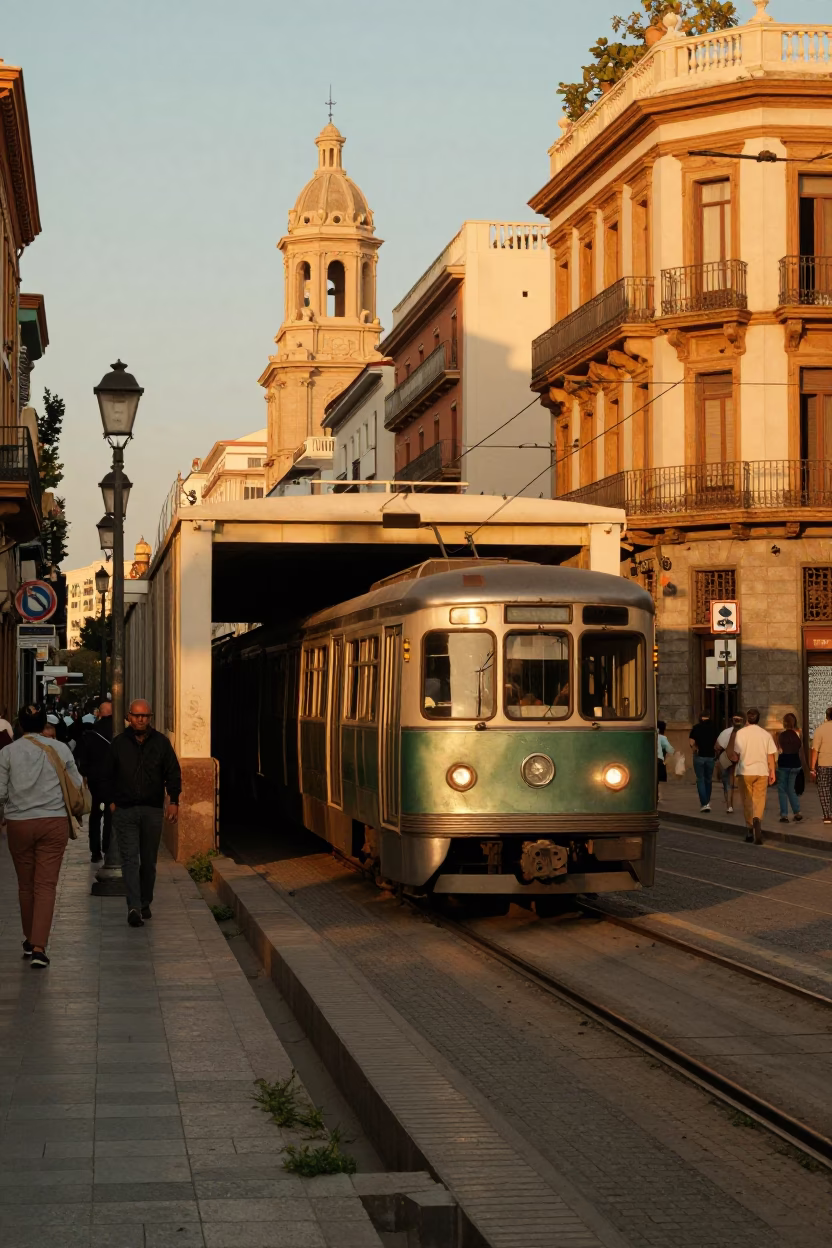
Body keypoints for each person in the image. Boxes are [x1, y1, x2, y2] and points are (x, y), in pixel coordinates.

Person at [0, 704, 82, 967]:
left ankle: (28, 937)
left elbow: (0, 793)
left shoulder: (7, 752)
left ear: (21, 725)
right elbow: (77, 784)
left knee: (26, 884)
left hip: (19, 823)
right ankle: (39, 947)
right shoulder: (59, 748)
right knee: (45, 885)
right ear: (45, 723)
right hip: (53, 821)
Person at [103, 699, 181, 927]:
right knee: (129, 860)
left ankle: (145, 901)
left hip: (152, 810)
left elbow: (173, 773)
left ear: (150, 717)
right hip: (125, 810)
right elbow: (106, 774)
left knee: (148, 861)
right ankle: (134, 907)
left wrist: (173, 800)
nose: (140, 719)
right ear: (129, 716)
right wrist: (111, 802)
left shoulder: (161, 743)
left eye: (145, 716)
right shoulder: (118, 744)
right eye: (136, 715)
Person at [729, 708, 777, 844]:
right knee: (759, 799)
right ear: (759, 719)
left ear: (747, 719)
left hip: (745, 772)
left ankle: (750, 828)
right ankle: (757, 819)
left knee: (747, 800)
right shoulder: (765, 734)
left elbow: (736, 754)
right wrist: (772, 771)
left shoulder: (741, 733)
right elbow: (770, 755)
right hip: (761, 771)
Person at [77, 699, 113, 864]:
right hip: (113, 779)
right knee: (110, 813)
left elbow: (84, 757)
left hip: (96, 780)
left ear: (99, 713)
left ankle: (95, 851)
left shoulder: (91, 733)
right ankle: (108, 846)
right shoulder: (119, 730)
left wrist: (85, 774)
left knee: (96, 813)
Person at [775, 712, 805, 824]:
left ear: (784, 723)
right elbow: (800, 751)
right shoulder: (798, 733)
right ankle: (797, 812)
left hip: (784, 764)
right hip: (796, 764)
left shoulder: (780, 735)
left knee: (782, 789)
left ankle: (784, 815)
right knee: (791, 789)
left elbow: (779, 751)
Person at [688, 711, 720, 813]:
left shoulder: (696, 727)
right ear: (709, 717)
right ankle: (707, 801)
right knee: (708, 779)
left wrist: (694, 748)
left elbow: (691, 742)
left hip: (699, 756)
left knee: (700, 779)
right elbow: (717, 743)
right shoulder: (714, 728)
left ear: (700, 717)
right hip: (710, 756)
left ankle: (704, 803)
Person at [716, 714, 744, 813]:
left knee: (727, 783)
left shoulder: (725, 732)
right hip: (741, 761)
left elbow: (717, 746)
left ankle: (729, 805)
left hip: (726, 760)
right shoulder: (746, 733)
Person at [809, 706, 832, 825]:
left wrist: (812, 768)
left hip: (824, 764)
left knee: (824, 790)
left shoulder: (820, 730)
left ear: (826, 716)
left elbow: (815, 750)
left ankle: (827, 815)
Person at [657, 720, 674, 801]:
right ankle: (657, 795)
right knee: (657, 779)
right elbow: (670, 749)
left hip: (647, 760)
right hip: (658, 760)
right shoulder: (662, 737)